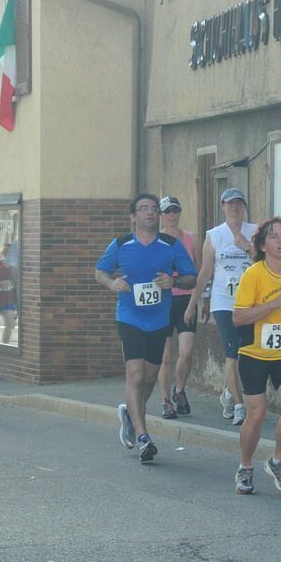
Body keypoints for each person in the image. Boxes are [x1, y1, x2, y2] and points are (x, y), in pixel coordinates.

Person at [95, 193, 197, 463]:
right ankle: (142, 436)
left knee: (150, 378)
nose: (150, 213)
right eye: (144, 209)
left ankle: (130, 413)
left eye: (153, 209)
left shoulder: (171, 245)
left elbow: (191, 278)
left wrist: (172, 279)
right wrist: (111, 284)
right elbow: (100, 271)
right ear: (133, 217)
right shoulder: (121, 244)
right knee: (135, 374)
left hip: (159, 319)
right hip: (129, 317)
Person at [232, 217, 281, 495]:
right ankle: (245, 467)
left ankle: (277, 461)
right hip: (254, 353)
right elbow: (238, 317)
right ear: (263, 245)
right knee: (256, 415)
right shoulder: (253, 274)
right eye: (274, 237)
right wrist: (273, 304)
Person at [186, 188, 257, 426]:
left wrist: (247, 245)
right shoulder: (214, 235)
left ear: (244, 206)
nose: (234, 207)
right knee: (232, 352)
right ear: (223, 206)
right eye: (230, 203)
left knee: (246, 352)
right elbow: (205, 272)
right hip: (223, 301)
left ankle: (228, 393)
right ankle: (238, 404)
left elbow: (266, 261)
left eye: (238, 203)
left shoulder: (254, 231)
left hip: (250, 302)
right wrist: (193, 304)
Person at [156, 196, 199, 419]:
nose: (172, 216)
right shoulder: (155, 241)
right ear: (161, 215)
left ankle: (179, 390)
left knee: (186, 352)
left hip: (186, 301)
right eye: (167, 212)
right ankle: (165, 401)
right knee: (164, 356)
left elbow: (199, 273)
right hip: (162, 302)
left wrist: (201, 301)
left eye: (175, 211)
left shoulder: (191, 239)